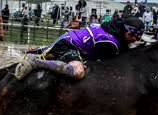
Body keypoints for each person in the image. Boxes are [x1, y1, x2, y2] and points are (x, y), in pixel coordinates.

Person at [15, 17, 144, 80]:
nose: (135, 41)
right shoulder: (109, 42)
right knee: (78, 72)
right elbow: (110, 63)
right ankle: (36, 62)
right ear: (127, 33)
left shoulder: (112, 30)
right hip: (68, 45)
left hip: (70, 40)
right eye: (134, 38)